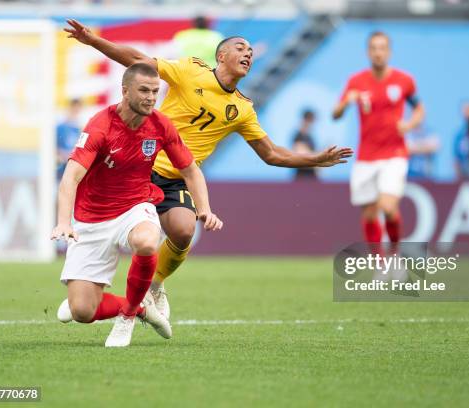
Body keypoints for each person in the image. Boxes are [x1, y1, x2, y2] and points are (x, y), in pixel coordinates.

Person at [64, 19, 353, 319]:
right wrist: (93, 41)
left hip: (179, 177)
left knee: (184, 229)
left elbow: (271, 153)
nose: (249, 53)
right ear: (221, 56)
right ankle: (86, 294)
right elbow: (139, 62)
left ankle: (154, 286)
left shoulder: (242, 109)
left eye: (252, 51)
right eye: (241, 47)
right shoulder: (191, 71)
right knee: (125, 234)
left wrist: (315, 160)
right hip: (141, 167)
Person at [51, 63, 223, 348]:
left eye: (155, 91)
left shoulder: (160, 124)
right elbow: (71, 177)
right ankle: (142, 307)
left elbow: (191, 170)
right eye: (144, 90)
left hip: (136, 205)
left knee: (146, 241)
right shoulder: (100, 125)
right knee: (82, 311)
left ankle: (127, 317)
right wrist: (63, 222)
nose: (151, 97)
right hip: (91, 217)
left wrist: (204, 208)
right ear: (124, 91)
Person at [332, 31, 424, 252]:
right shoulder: (356, 81)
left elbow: (419, 108)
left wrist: (409, 125)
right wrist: (346, 102)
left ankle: (394, 254)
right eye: (374, 48)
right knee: (369, 213)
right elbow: (335, 114)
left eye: (382, 48)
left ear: (389, 52)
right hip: (366, 156)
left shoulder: (404, 81)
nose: (378, 53)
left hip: (395, 153)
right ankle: (379, 264)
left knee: (388, 206)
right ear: (368, 52)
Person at [56, 99, 83, 180]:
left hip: (74, 163)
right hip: (62, 163)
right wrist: (61, 155)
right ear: (70, 108)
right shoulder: (61, 127)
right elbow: (55, 145)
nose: (76, 111)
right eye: (74, 108)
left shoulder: (80, 128)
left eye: (78, 109)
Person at [292, 109, 318, 180]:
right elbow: (301, 156)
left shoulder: (310, 137)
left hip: (312, 177)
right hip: (302, 177)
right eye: (311, 120)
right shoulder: (298, 136)